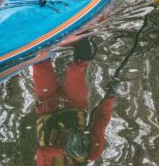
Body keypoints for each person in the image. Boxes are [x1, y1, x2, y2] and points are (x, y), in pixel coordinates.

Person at [31, 37, 117, 165]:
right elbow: (101, 120)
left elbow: (42, 152)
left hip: (48, 106)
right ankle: (76, 38)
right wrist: (110, 96)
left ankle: (38, 40)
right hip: (75, 104)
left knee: (39, 65)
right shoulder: (91, 153)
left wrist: (63, 150)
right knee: (78, 67)